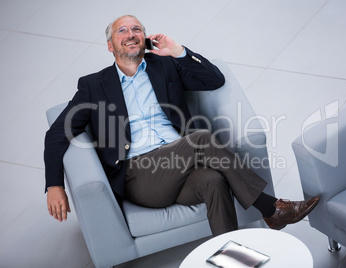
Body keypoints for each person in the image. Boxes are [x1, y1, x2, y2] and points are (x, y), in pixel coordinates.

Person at [45, 15, 319, 236]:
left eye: (137, 29)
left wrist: (177, 51)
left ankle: (232, 256)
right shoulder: (93, 85)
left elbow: (214, 80)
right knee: (201, 139)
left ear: (144, 39)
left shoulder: (163, 66)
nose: (130, 33)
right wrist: (54, 184)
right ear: (110, 45)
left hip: (180, 163)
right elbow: (57, 132)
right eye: (122, 31)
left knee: (213, 180)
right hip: (139, 174)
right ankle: (271, 208)